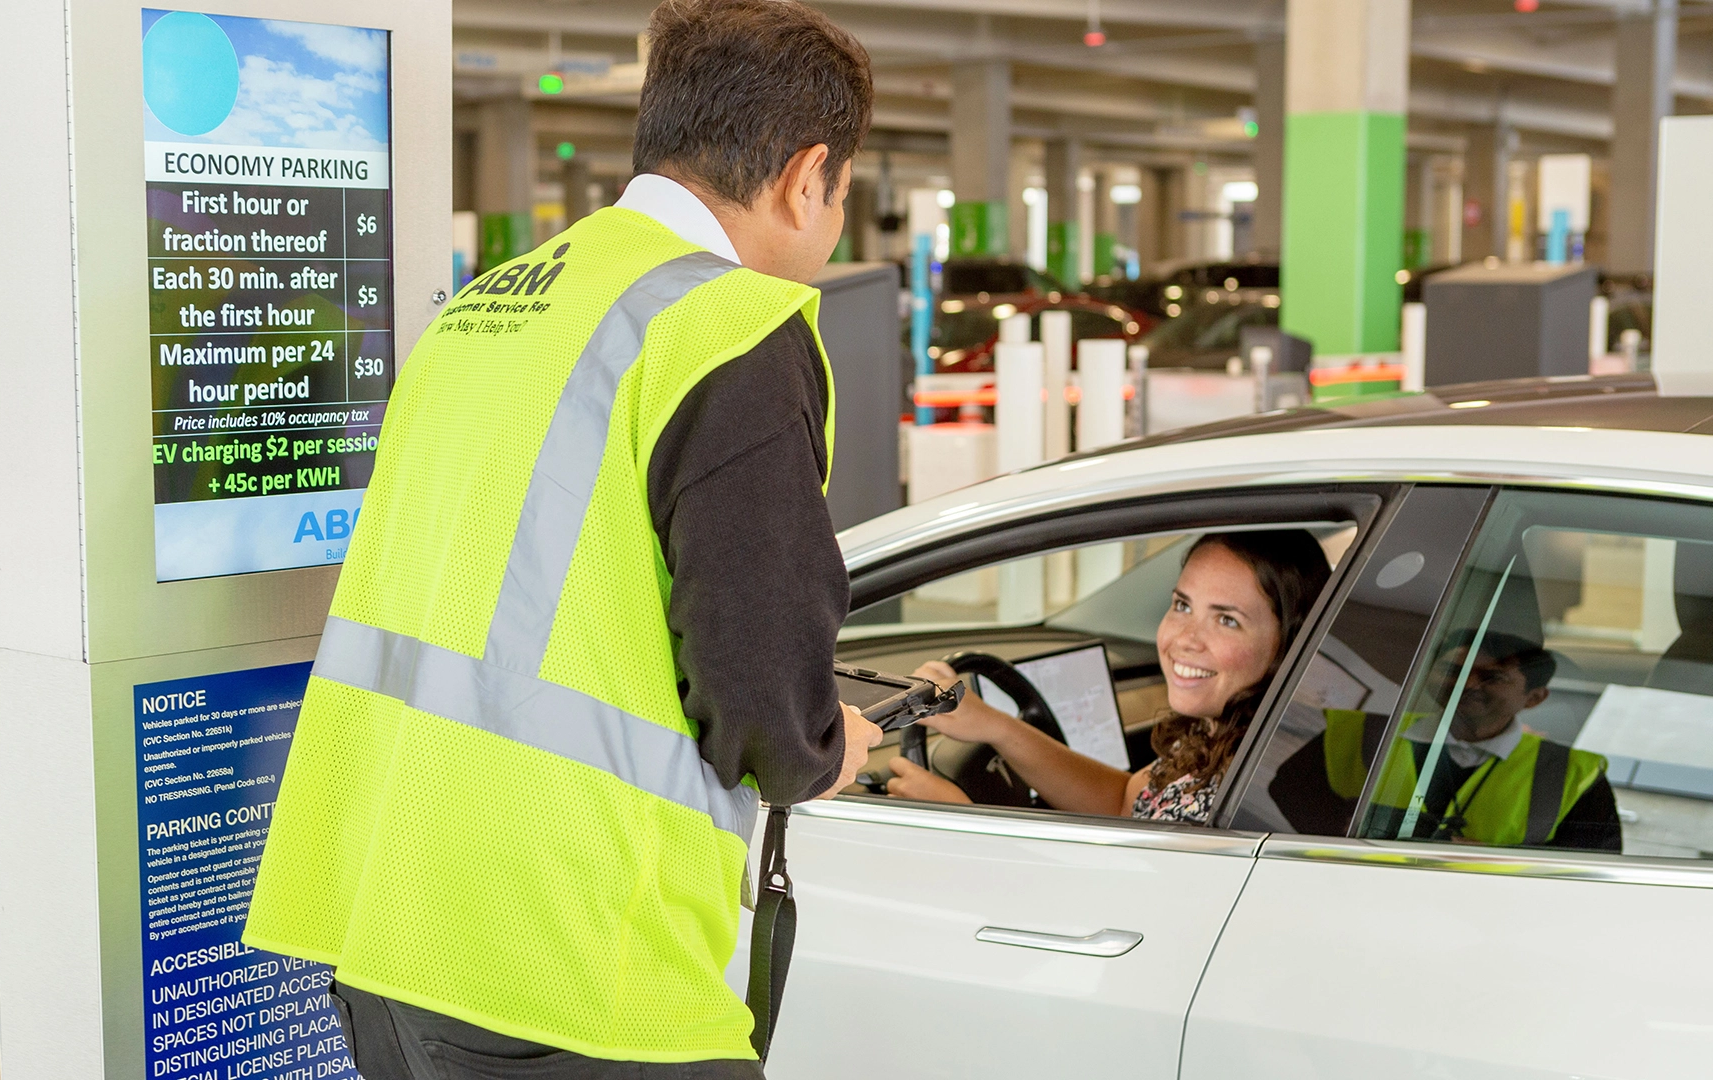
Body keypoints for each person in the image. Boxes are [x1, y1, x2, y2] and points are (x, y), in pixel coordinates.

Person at [241, 2, 881, 1076]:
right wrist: (829, 750)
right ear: (805, 175)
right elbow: (765, 698)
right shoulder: (731, 326)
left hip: (380, 911)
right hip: (571, 957)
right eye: (842, 198)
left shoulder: (485, 310)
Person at [886, 530, 1332, 824]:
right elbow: (1126, 800)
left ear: (1291, 642)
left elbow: (1125, 901)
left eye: (1227, 620)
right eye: (1182, 605)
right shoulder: (1225, 730)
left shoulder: (1258, 786)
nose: (1184, 639)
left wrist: (961, 819)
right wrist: (998, 728)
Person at [1275, 630, 1621, 850]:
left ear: (1534, 698)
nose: (1467, 685)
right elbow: (1287, 793)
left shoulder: (1575, 774)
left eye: (1493, 677)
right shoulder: (1362, 732)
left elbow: (1589, 865)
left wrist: (1494, 863)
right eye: (1453, 670)